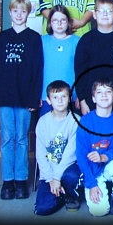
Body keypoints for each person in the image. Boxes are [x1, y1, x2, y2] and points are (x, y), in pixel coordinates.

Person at [0, 0, 43, 200]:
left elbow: (38, 69)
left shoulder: (33, 38)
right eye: (15, 11)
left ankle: (21, 181)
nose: (19, 14)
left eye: (23, 11)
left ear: (28, 14)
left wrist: (33, 98)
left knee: (21, 139)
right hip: (4, 96)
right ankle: (7, 181)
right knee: (7, 139)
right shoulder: (2, 37)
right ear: (10, 12)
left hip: (24, 98)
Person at [76, 78, 113, 216]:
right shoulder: (85, 121)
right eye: (99, 92)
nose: (104, 95)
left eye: (108, 92)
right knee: (99, 211)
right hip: (92, 170)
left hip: (109, 165)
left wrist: (104, 157)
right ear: (93, 98)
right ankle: (93, 187)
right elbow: (81, 155)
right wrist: (92, 183)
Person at [34, 80, 81, 215]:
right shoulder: (43, 122)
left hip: (68, 169)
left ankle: (71, 195)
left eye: (64, 97)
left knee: (71, 176)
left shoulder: (76, 121)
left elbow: (70, 154)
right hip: (49, 172)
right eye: (55, 97)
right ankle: (61, 195)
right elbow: (41, 154)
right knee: (42, 209)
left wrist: (57, 178)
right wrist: (50, 179)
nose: (60, 101)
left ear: (70, 98)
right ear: (48, 100)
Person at [40, 5, 80, 116]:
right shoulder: (41, 41)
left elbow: (81, 70)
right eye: (55, 20)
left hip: (71, 96)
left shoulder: (77, 41)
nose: (59, 23)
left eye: (63, 20)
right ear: (50, 23)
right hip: (47, 97)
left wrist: (80, 96)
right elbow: (36, 70)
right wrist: (37, 95)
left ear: (68, 22)